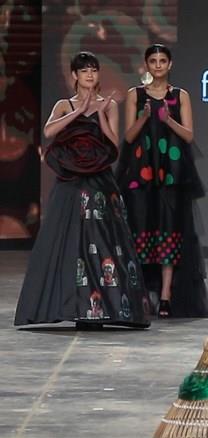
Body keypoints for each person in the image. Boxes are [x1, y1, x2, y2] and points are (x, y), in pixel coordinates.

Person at [15, 51, 149, 329]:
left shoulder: (108, 105)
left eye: (94, 70)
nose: (90, 75)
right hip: (71, 181)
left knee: (103, 241)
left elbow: (113, 142)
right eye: (84, 70)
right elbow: (49, 131)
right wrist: (78, 111)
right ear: (74, 75)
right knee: (69, 240)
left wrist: (99, 114)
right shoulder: (64, 105)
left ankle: (106, 308)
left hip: (100, 180)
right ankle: (70, 305)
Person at [117, 44, 208, 319]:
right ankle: (141, 292)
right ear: (146, 64)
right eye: (153, 61)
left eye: (162, 61)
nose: (158, 65)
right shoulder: (135, 95)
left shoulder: (180, 95)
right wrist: (145, 117)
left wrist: (168, 121)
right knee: (140, 230)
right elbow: (128, 136)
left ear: (170, 65)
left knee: (169, 231)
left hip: (171, 173)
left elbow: (189, 136)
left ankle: (166, 295)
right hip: (141, 173)